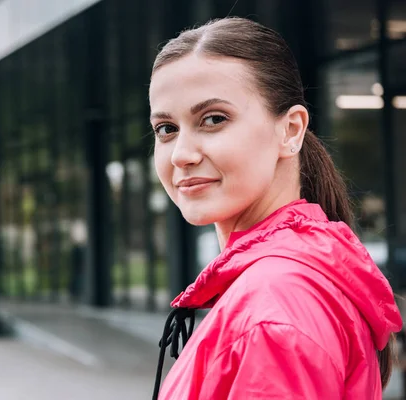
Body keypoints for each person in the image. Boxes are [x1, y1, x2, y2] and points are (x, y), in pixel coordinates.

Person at [149, 17, 403, 400]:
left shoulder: (275, 306)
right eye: (166, 128)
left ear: (291, 130)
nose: (181, 154)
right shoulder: (286, 283)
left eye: (213, 119)